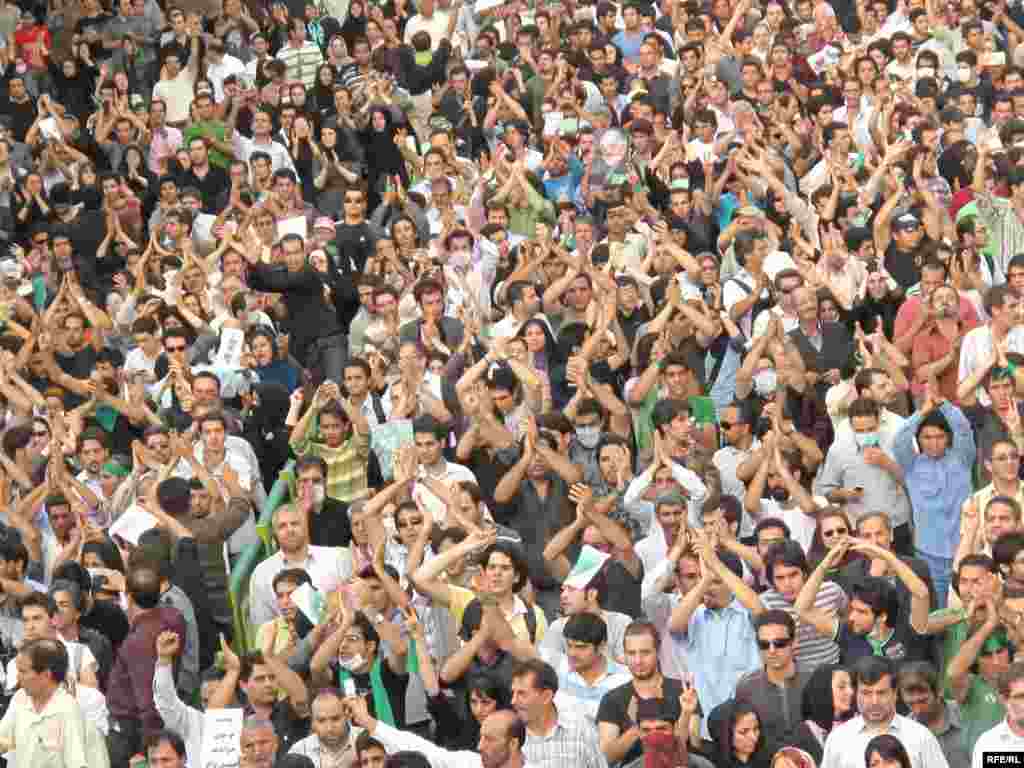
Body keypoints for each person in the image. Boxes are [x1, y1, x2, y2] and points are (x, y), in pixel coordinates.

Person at [819, 657, 950, 768]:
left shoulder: (921, 738)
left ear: (895, 693)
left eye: (881, 693)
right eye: (866, 693)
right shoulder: (838, 739)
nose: (874, 701)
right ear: (856, 693)